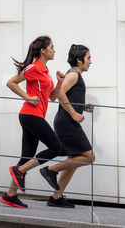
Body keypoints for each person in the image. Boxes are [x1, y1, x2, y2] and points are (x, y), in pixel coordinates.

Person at [0, 36, 65, 209]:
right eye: (52, 47)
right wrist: (28, 97)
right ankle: (19, 171)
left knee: (27, 157)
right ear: (43, 50)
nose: (54, 50)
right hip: (30, 114)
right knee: (56, 147)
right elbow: (11, 82)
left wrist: (59, 83)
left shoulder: (45, 70)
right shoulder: (33, 67)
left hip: (36, 116)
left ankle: (10, 195)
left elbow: (51, 97)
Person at [39, 44, 95, 208]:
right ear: (79, 59)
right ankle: (51, 170)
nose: (90, 62)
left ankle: (56, 197)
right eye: (88, 58)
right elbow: (59, 94)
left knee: (73, 160)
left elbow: (67, 96)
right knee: (89, 157)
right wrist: (73, 113)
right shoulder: (73, 75)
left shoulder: (74, 75)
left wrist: (81, 107)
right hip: (67, 123)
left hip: (65, 122)